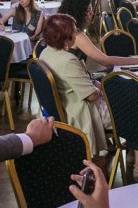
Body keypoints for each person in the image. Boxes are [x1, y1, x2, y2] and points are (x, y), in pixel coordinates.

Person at [38, 15, 110, 155]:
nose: (76, 33)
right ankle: (137, 160)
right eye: (74, 31)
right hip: (80, 112)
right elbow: (92, 96)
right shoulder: (68, 60)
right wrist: (100, 89)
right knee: (131, 109)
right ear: (66, 39)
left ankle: (132, 157)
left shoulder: (45, 53)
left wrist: (92, 83)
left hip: (64, 106)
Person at [58, 0, 138, 73]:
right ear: (78, 13)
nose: (92, 13)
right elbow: (105, 61)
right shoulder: (76, 36)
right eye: (89, 11)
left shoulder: (61, 29)